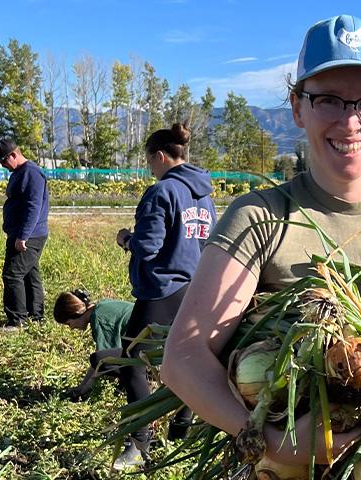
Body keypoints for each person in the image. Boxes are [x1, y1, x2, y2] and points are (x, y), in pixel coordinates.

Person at [159, 14, 361, 468]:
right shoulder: (260, 216)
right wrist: (273, 442)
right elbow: (184, 357)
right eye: (328, 99)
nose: (350, 121)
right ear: (297, 107)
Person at [114, 122, 215, 465]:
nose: (150, 168)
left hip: (161, 288)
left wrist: (126, 238)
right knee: (188, 359)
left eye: (149, 161)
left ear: (159, 156)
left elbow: (149, 245)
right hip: (195, 286)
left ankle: (140, 442)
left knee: (130, 361)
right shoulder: (204, 194)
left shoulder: (162, 192)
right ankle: (182, 427)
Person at [0, 138, 50, 329]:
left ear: (13, 155)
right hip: (22, 233)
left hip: (29, 235)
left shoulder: (31, 173)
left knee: (12, 275)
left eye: (3, 160)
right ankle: (36, 316)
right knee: (29, 274)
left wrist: (23, 236)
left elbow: (33, 207)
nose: (2, 165)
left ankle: (17, 321)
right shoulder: (19, 173)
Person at [52, 289, 135, 400]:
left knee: (100, 360)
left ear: (76, 314)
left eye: (69, 323)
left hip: (150, 349)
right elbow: (101, 356)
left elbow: (103, 362)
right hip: (149, 339)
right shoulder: (101, 307)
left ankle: (137, 379)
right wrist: (82, 385)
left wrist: (85, 389)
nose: (71, 328)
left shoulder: (99, 319)